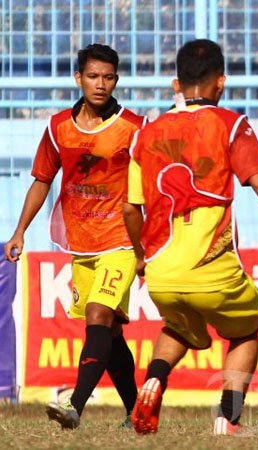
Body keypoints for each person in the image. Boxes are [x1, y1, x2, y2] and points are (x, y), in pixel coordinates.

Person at [122, 39, 258, 436]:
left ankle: (155, 380)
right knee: (245, 330)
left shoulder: (145, 135)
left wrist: (141, 257)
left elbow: (131, 209)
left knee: (177, 328)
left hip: (161, 271)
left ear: (175, 85)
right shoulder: (230, 124)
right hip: (209, 267)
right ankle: (228, 418)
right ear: (220, 83)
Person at [3, 44, 146, 429]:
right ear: (78, 78)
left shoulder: (134, 127)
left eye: (109, 77)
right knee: (110, 332)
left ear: (117, 79)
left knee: (99, 315)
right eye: (94, 76)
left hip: (120, 239)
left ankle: (75, 406)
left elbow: (159, 182)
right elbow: (41, 180)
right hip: (81, 241)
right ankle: (138, 412)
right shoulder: (57, 127)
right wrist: (19, 231)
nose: (101, 85)